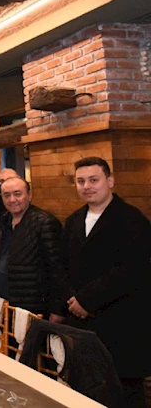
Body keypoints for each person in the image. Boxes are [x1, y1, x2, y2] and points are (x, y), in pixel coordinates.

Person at [60, 157, 151, 407]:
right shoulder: (74, 220)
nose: (87, 186)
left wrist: (86, 300)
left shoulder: (132, 220)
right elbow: (62, 265)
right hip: (81, 321)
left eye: (94, 180)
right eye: (81, 181)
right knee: (86, 389)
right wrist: (71, 300)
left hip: (122, 322)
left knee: (123, 392)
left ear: (110, 181)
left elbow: (131, 270)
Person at [0, 177, 65, 319]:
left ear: (29, 195)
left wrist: (58, 309)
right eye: (7, 195)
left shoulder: (44, 222)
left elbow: (57, 269)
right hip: (6, 303)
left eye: (17, 194)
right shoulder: (2, 222)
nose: (12, 199)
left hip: (34, 306)